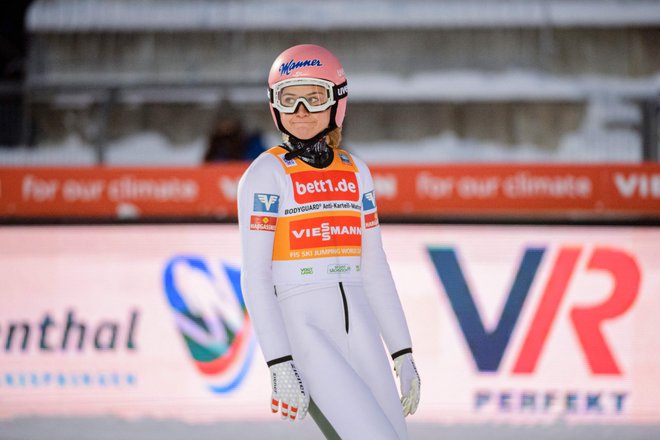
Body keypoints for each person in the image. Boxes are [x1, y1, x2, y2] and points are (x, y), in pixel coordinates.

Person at [237, 44, 420, 439]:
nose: (301, 109)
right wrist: (279, 360)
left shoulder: (356, 171)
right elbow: (254, 276)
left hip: (362, 329)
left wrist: (402, 352)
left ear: (337, 100)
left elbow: (374, 268)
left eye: (314, 96)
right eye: (289, 98)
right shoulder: (266, 174)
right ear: (274, 105)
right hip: (306, 334)